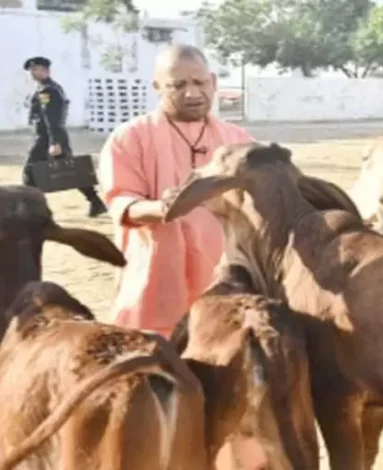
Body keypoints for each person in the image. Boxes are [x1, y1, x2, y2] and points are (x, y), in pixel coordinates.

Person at [98, 44, 267, 469]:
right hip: (157, 290)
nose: (192, 92)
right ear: (158, 87)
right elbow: (122, 202)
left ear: (212, 83)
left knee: (233, 400)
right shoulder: (128, 138)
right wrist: (162, 207)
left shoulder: (237, 141)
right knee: (148, 403)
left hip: (224, 295)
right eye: (178, 85)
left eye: (199, 82)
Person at [22, 56, 108, 217]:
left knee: (29, 172)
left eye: (36, 69)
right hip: (51, 137)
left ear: (46, 71)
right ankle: (95, 202)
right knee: (71, 170)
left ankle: (31, 209)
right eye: (31, 70)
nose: (32, 73)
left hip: (46, 138)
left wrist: (55, 141)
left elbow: (51, 117)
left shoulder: (47, 91)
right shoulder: (46, 88)